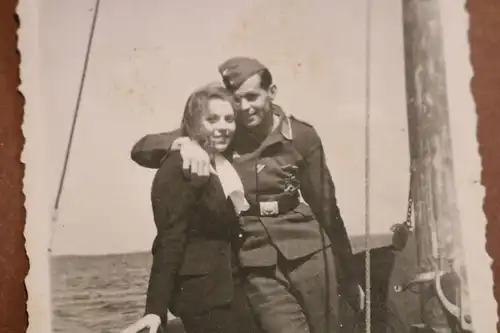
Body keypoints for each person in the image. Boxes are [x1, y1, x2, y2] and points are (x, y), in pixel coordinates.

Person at [130, 57, 363, 333]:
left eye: (252, 97)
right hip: (257, 261)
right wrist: (184, 144)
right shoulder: (226, 131)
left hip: (309, 252)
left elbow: (327, 208)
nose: (243, 108)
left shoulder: (301, 136)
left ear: (271, 93)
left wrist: (349, 274)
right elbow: (142, 149)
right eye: (237, 100)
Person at [121, 82, 264, 333]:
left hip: (233, 287)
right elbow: (170, 240)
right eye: (212, 119)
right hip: (203, 297)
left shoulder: (221, 162)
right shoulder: (180, 166)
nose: (222, 127)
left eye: (229, 119)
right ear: (195, 123)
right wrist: (155, 310)